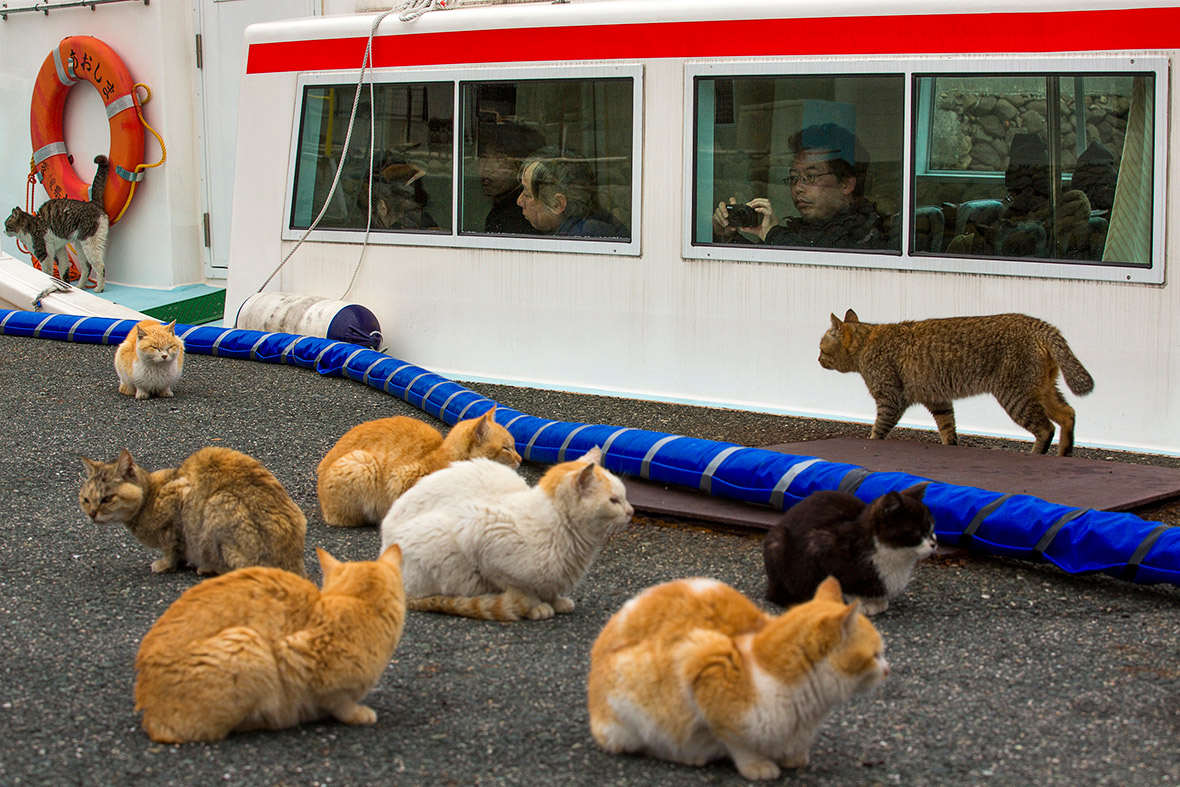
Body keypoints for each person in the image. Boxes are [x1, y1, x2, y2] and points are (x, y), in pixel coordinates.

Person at [712, 123, 893, 250]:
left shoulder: (872, 231)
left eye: (810, 177)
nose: (798, 187)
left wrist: (774, 235)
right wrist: (728, 237)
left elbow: (821, 269)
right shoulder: (802, 230)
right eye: (793, 178)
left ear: (846, 184)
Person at [516, 150, 629, 239]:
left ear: (557, 204)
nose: (519, 201)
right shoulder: (588, 225)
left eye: (527, 194)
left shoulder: (584, 237)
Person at [476, 121, 548, 235]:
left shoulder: (525, 214)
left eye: (499, 159)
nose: (486, 168)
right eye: (483, 157)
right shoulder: (501, 207)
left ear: (522, 164)